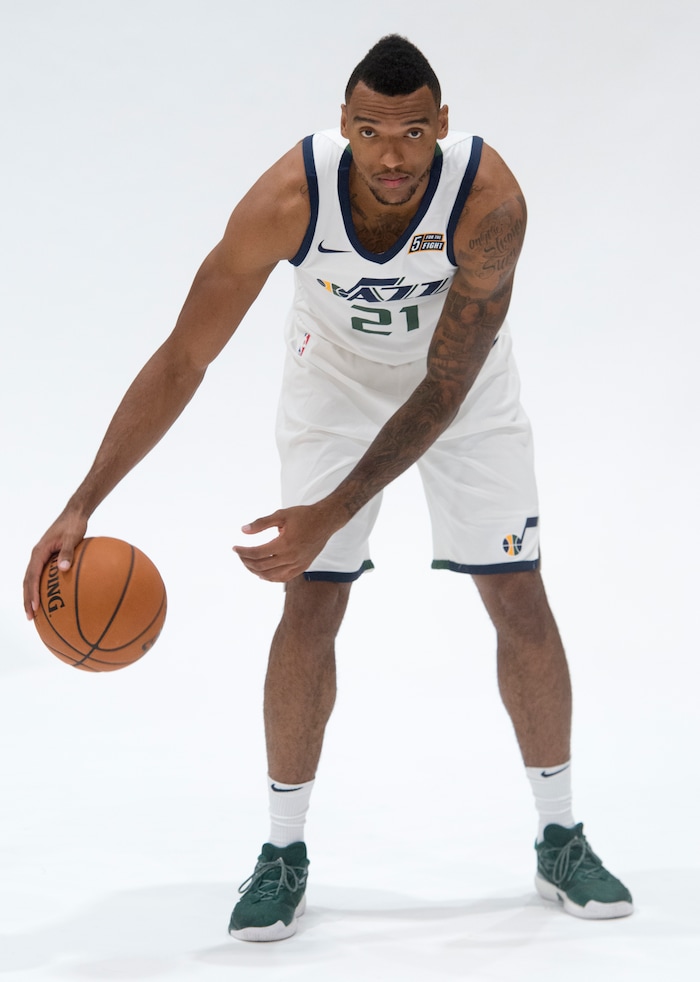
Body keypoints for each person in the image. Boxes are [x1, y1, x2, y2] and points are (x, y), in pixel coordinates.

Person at [23, 35, 633, 941]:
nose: (393, 154)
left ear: (443, 129)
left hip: (459, 390)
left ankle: (560, 834)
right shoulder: (288, 201)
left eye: (414, 131)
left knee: (519, 597)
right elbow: (187, 354)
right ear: (343, 124)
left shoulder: (490, 203)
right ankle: (282, 850)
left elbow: (443, 388)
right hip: (334, 382)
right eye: (373, 130)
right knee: (309, 604)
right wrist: (83, 500)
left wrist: (332, 510)